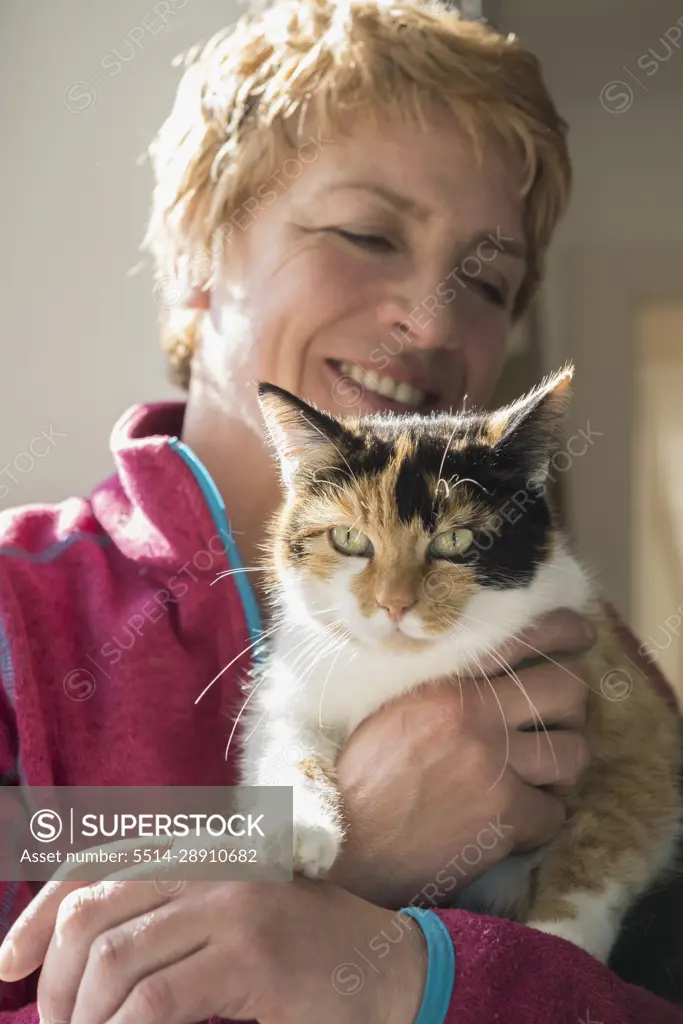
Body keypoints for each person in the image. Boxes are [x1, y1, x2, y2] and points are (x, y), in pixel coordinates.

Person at [0, 0, 680, 1020]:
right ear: (194, 265)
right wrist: (342, 848)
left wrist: (419, 975)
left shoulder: (569, 644)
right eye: (366, 234)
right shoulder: (20, 616)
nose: (431, 318)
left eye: (487, 283)